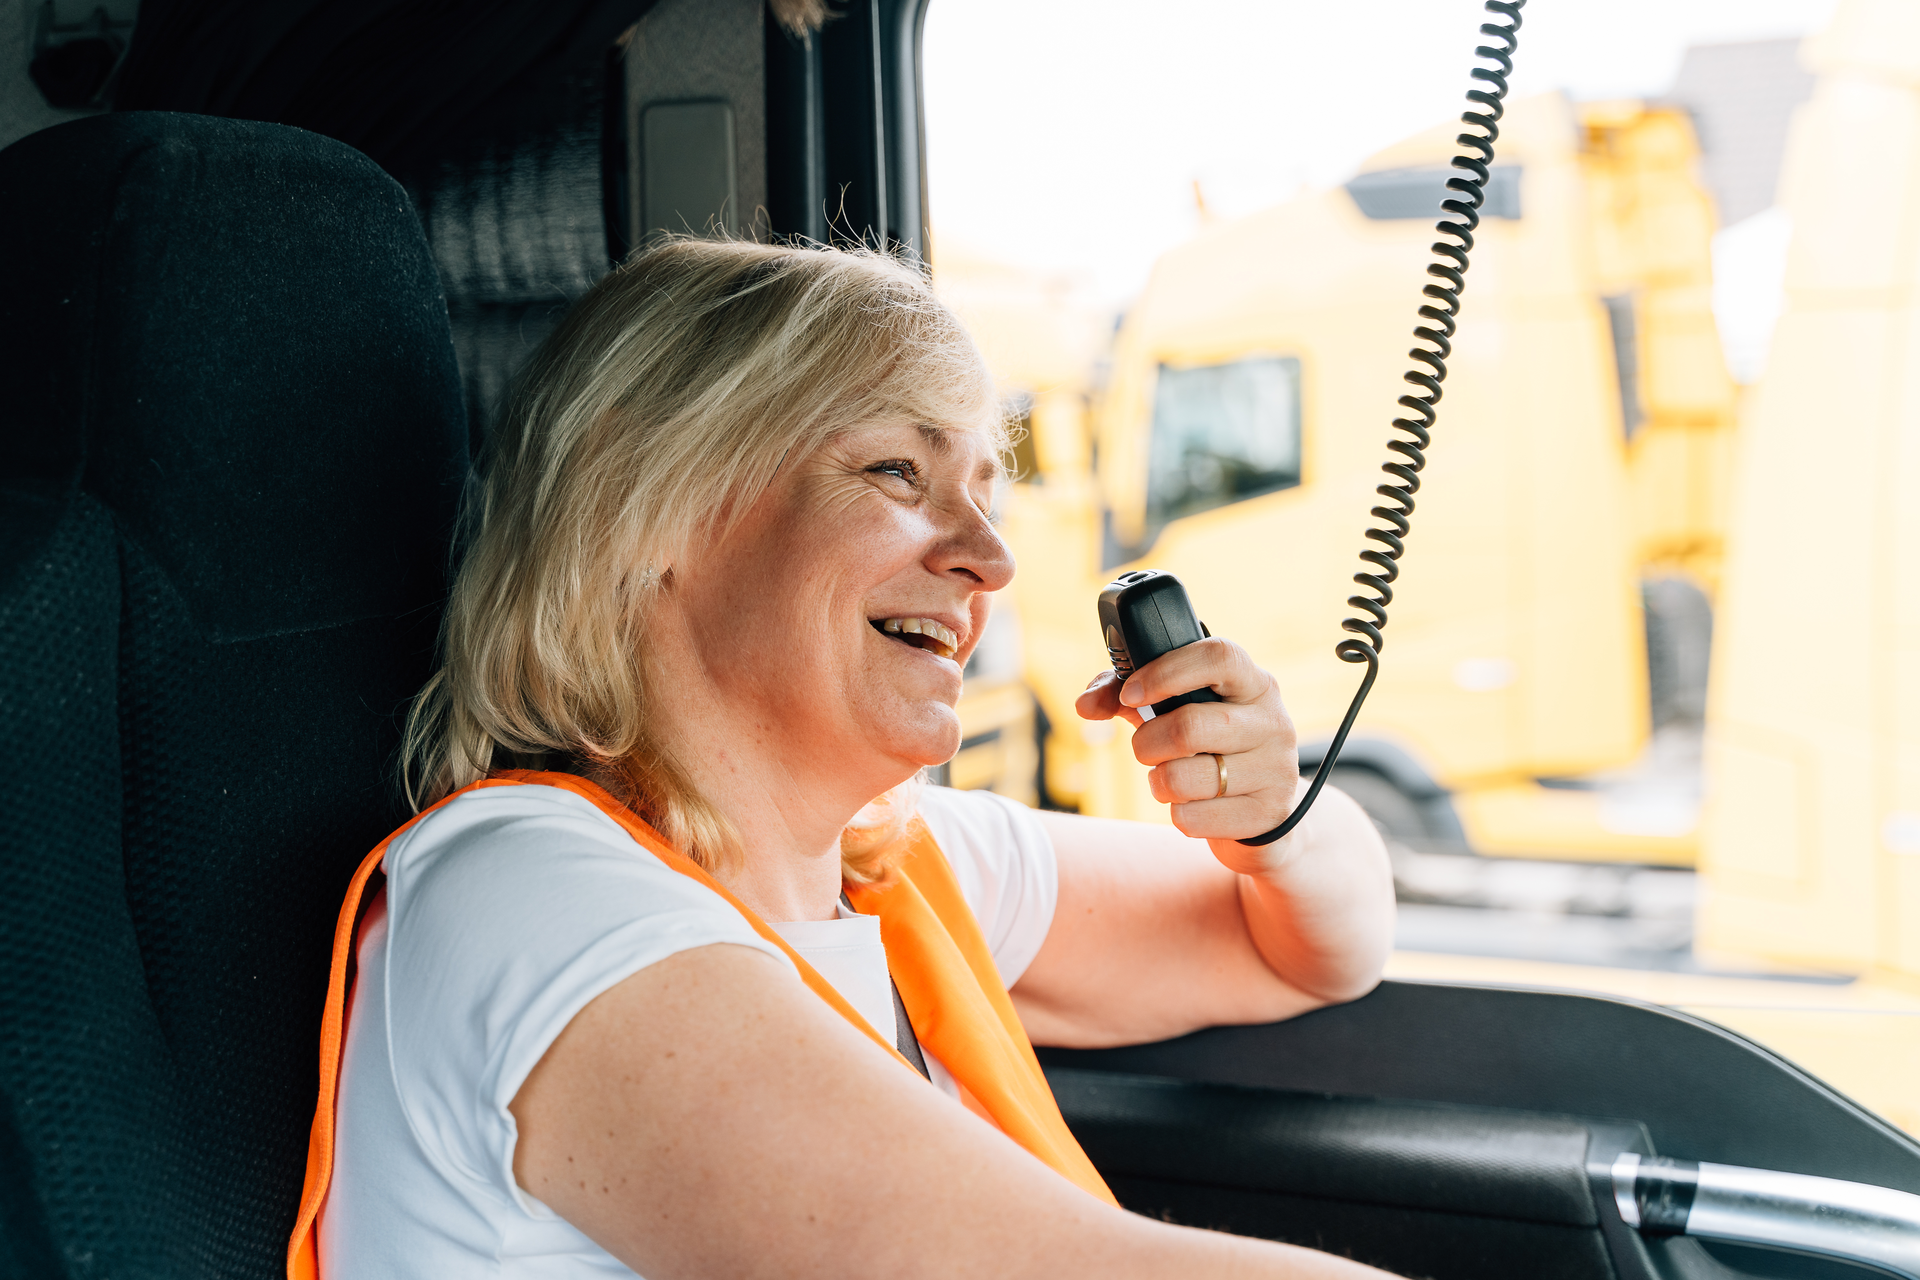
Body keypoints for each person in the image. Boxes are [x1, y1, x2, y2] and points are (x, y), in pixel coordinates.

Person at [301, 238, 1399, 1279]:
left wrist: (1270, 814)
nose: (990, 558)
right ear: (644, 502)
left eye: (984, 495)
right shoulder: (527, 897)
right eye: (895, 472)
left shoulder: (891, 863)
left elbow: (1309, 948)